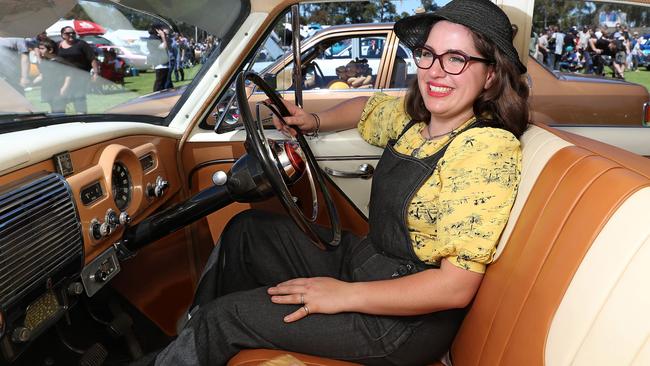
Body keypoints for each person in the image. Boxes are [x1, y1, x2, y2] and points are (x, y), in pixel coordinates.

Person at [139, 0, 529, 365]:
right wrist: (313, 121)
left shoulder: (486, 148)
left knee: (226, 318)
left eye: (456, 59)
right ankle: (194, 338)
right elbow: (367, 106)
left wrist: (343, 295)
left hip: (406, 323)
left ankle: (206, 334)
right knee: (247, 232)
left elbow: (454, 288)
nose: (435, 70)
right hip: (370, 261)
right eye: (428, 54)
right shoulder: (416, 117)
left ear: (491, 75)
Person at [56, 26, 99, 113]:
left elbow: (92, 58)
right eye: (68, 33)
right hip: (64, 76)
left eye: (73, 33)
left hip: (81, 76)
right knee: (63, 96)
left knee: (79, 96)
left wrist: (96, 73)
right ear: (62, 35)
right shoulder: (58, 45)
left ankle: (82, 116)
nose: (71, 35)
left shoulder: (81, 44)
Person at [32, 38, 68, 113]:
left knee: (59, 111)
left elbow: (69, 75)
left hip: (58, 89)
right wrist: (31, 83)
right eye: (39, 48)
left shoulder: (59, 61)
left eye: (42, 49)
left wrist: (64, 88)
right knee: (53, 110)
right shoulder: (44, 62)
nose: (39, 51)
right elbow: (42, 75)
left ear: (50, 50)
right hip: (48, 89)